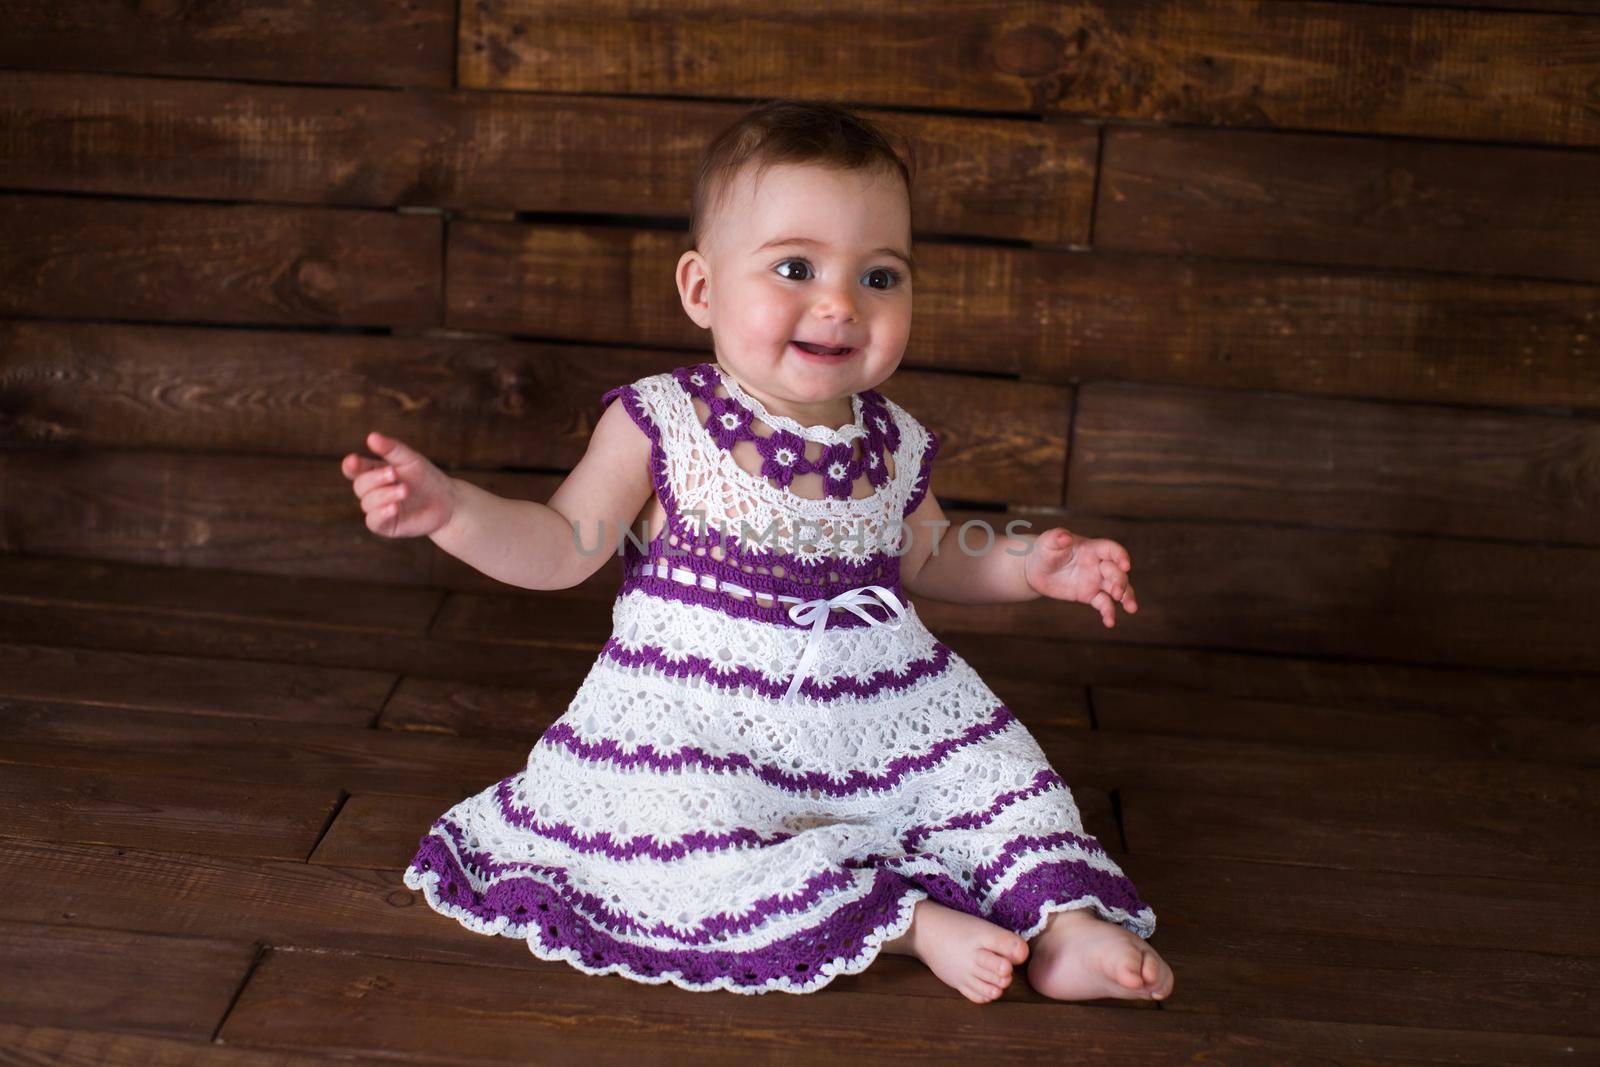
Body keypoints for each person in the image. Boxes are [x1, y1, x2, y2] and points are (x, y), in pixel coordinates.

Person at [341, 98, 1173, 1004]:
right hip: (700, 723)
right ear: (702, 289)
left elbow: (930, 559)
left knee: (996, 778)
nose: (839, 303)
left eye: (881, 277)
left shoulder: (892, 439)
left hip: (877, 711)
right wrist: (452, 509)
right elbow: (559, 546)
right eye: (795, 266)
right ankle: (904, 925)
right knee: (676, 843)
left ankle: (1065, 927)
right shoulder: (664, 420)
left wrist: (1025, 567)